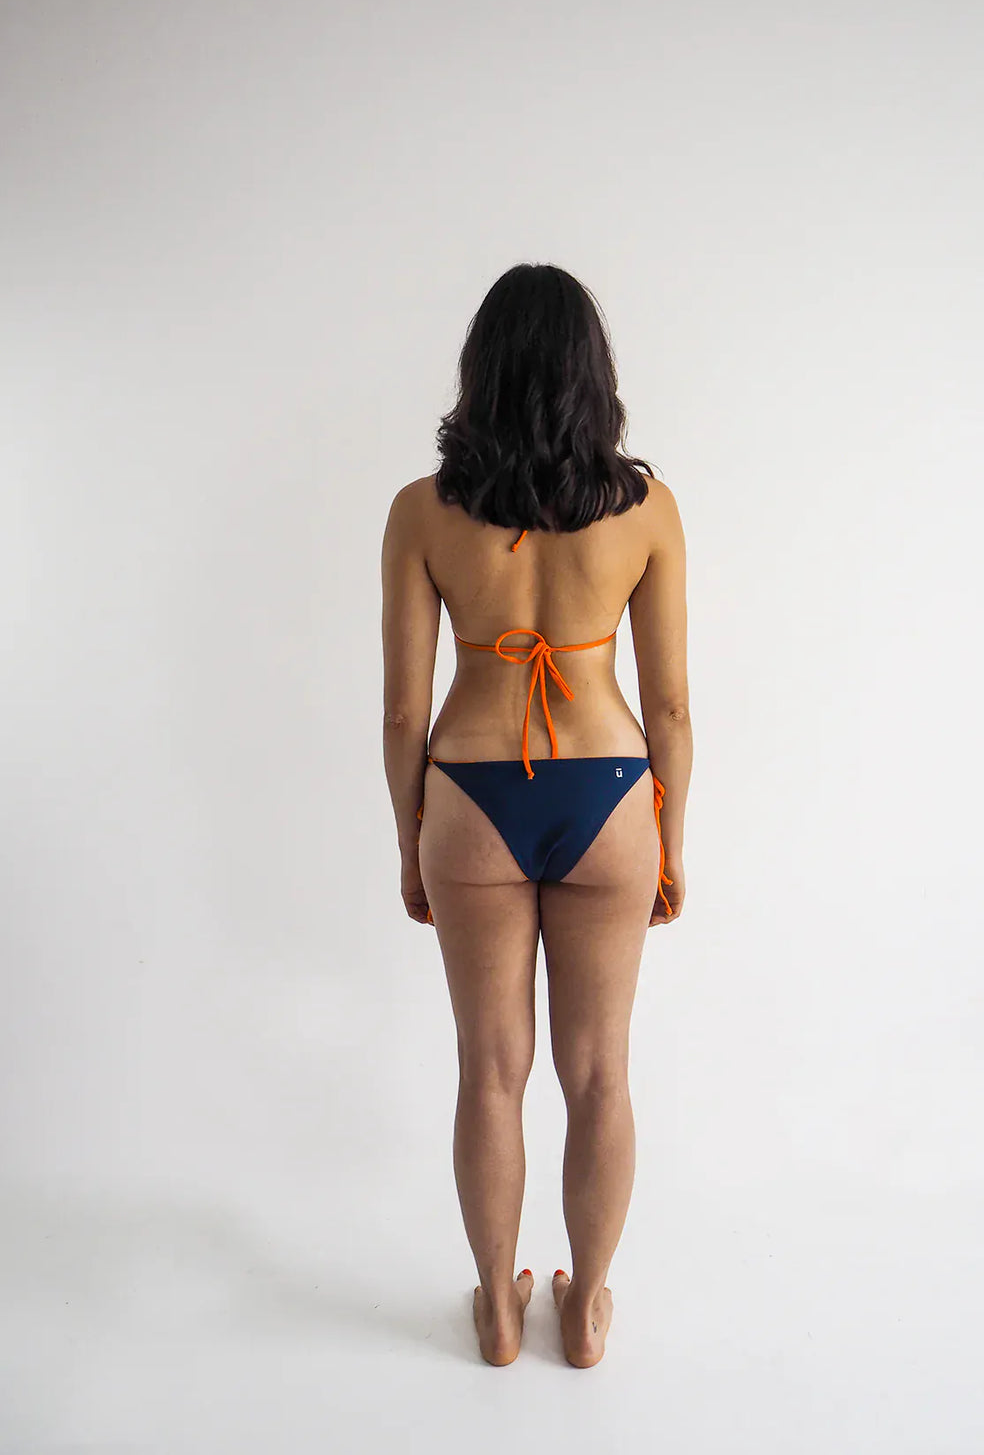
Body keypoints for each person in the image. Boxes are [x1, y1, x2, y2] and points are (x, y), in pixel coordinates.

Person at [380, 263, 692, 1369]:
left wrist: (411, 842)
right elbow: (669, 708)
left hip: (469, 796)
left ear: (483, 370)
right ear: (590, 376)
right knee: (600, 1071)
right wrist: (670, 845)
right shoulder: (646, 511)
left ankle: (500, 1309)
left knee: (490, 1070)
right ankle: (588, 1305)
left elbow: (404, 710)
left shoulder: (421, 512)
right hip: (609, 798)